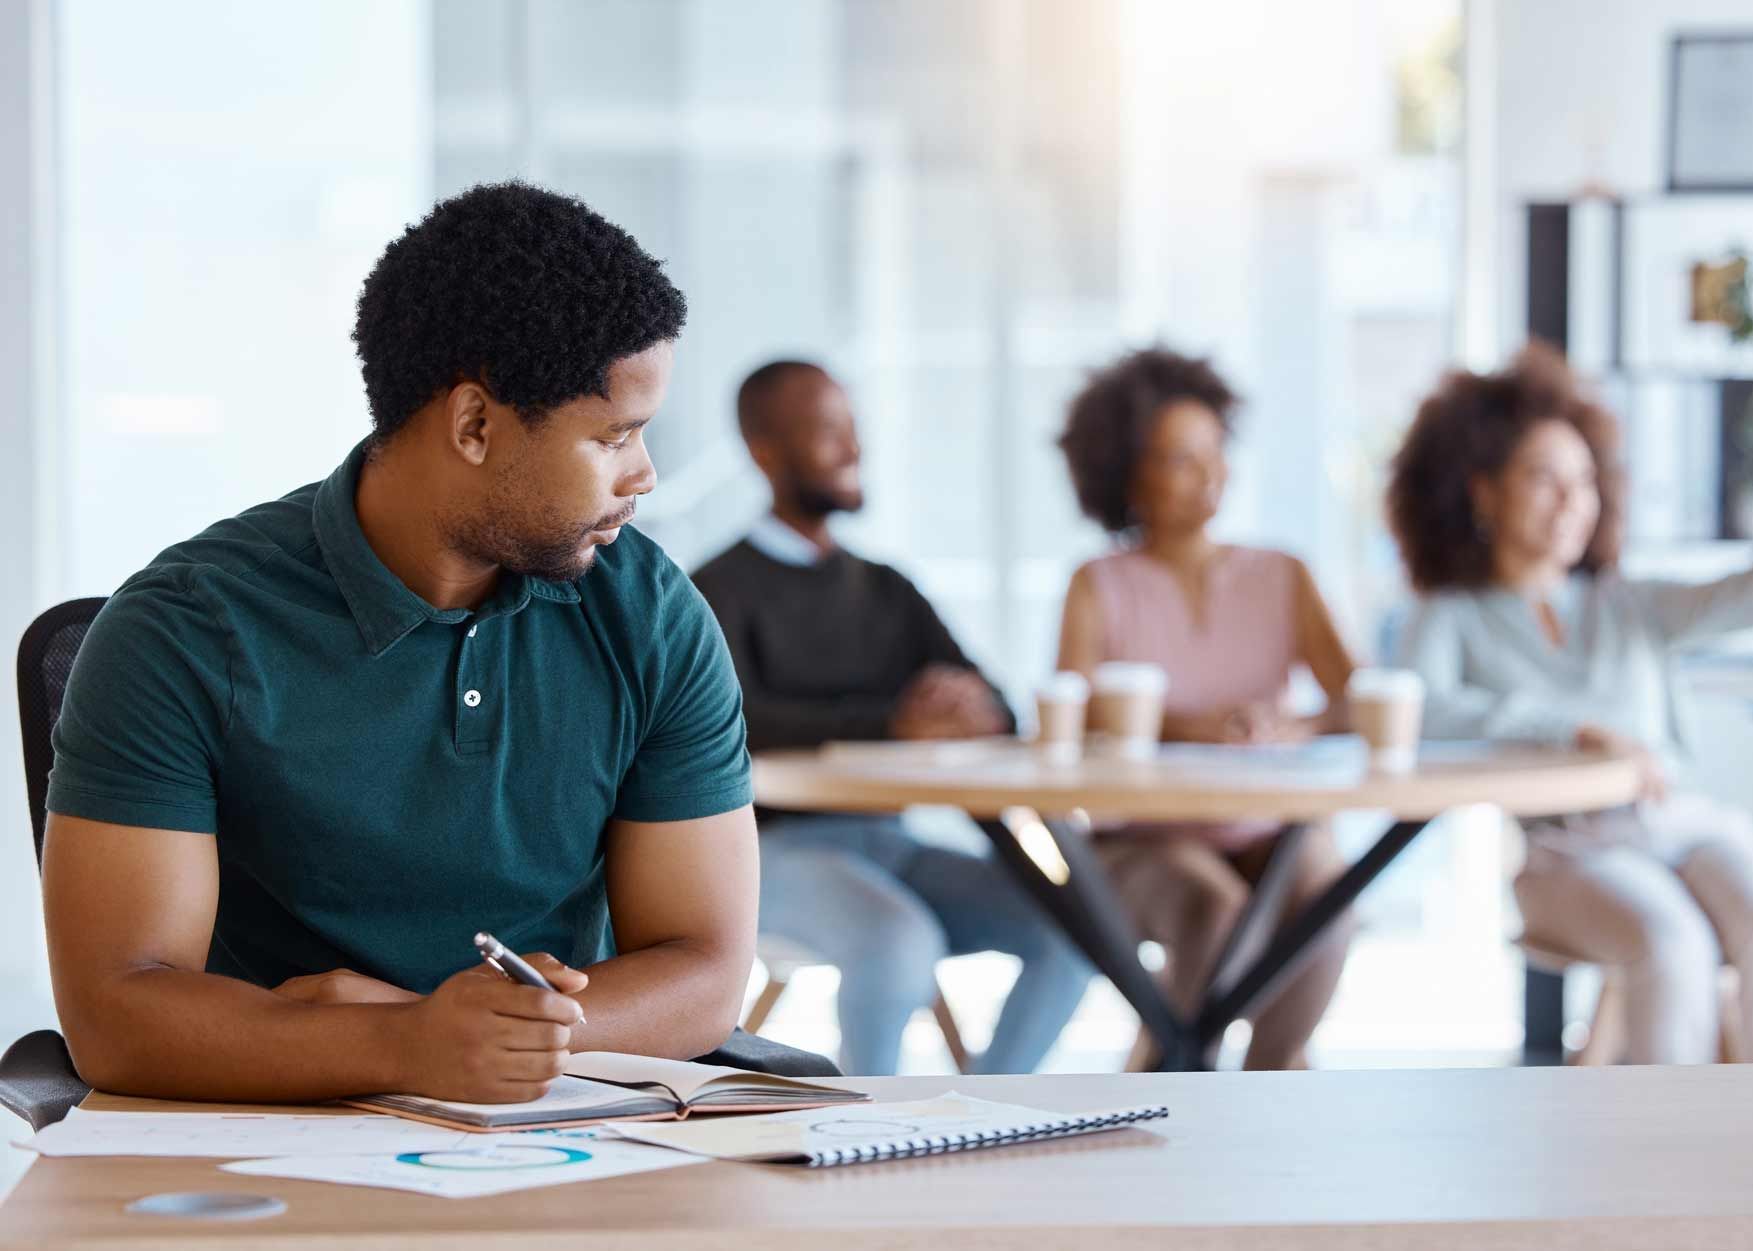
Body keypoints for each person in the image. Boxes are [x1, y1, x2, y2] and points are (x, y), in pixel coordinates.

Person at [41, 182, 761, 1104]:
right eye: (612, 435)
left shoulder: (650, 614)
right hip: (273, 1143)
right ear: (474, 424)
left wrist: (468, 1039)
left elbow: (704, 971)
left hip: (568, 1142)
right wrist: (407, 1043)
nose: (645, 474)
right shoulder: (182, 627)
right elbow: (116, 1013)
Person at [1387, 343, 1753, 1064]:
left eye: (1584, 481)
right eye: (1543, 479)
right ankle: (1663, 1163)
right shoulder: (1451, 612)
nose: (1571, 501)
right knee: (1671, 942)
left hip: (1678, 821)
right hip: (1566, 851)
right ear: (1483, 491)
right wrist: (1573, 728)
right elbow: (1425, 714)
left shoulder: (1626, 604)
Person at [692, 360, 1091, 1076]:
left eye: (854, 428)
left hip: (893, 843)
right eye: (827, 431)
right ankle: (865, 1135)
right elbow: (731, 723)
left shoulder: (886, 587)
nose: (854, 448)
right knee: (899, 940)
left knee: (1073, 928)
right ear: (764, 450)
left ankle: (982, 1113)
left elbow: (993, 703)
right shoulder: (715, 588)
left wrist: (968, 708)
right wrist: (892, 723)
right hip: (773, 857)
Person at [1054, 347, 1359, 1070]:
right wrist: (1184, 725)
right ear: (1128, 473)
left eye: (1216, 452)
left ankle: (1269, 1078)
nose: (1211, 475)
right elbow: (1074, 712)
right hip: (1143, 835)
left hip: (1265, 825)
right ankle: (1173, 1071)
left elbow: (1357, 700)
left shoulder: (1282, 574)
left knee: (1330, 897)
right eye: (1181, 459)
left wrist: (1293, 725)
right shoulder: (1098, 584)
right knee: (1213, 911)